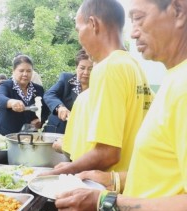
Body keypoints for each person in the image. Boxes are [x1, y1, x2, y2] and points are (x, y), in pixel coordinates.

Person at [54, 0, 187, 211]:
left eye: (139, 18)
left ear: (178, 10)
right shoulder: (165, 77)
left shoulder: (183, 87)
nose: (133, 34)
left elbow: (108, 153)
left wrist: (107, 203)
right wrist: (114, 180)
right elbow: (164, 172)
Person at [42, 0, 153, 176]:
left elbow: (108, 153)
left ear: (93, 24)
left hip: (105, 192)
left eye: (79, 30)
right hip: (129, 183)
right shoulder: (133, 66)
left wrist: (64, 171)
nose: (79, 38)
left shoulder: (108, 67)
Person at [0, 55, 49, 135]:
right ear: (13, 71)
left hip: (29, 137)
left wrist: (41, 120)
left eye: (29, 71)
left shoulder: (38, 89)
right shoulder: (5, 85)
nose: (25, 74)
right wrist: (12, 103)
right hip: (6, 135)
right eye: (21, 71)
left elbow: (46, 110)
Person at [43, 49, 93, 133]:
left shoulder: (98, 87)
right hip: (58, 130)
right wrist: (60, 107)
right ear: (76, 68)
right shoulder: (66, 79)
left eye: (90, 69)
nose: (86, 72)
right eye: (82, 68)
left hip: (82, 133)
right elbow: (49, 94)